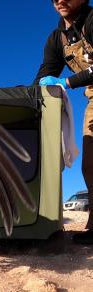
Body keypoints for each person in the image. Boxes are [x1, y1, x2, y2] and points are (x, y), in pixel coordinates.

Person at [36, 0, 93, 243]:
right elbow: (45, 75)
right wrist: (32, 94)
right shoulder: (57, 39)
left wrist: (67, 83)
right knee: (90, 165)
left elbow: (64, 81)